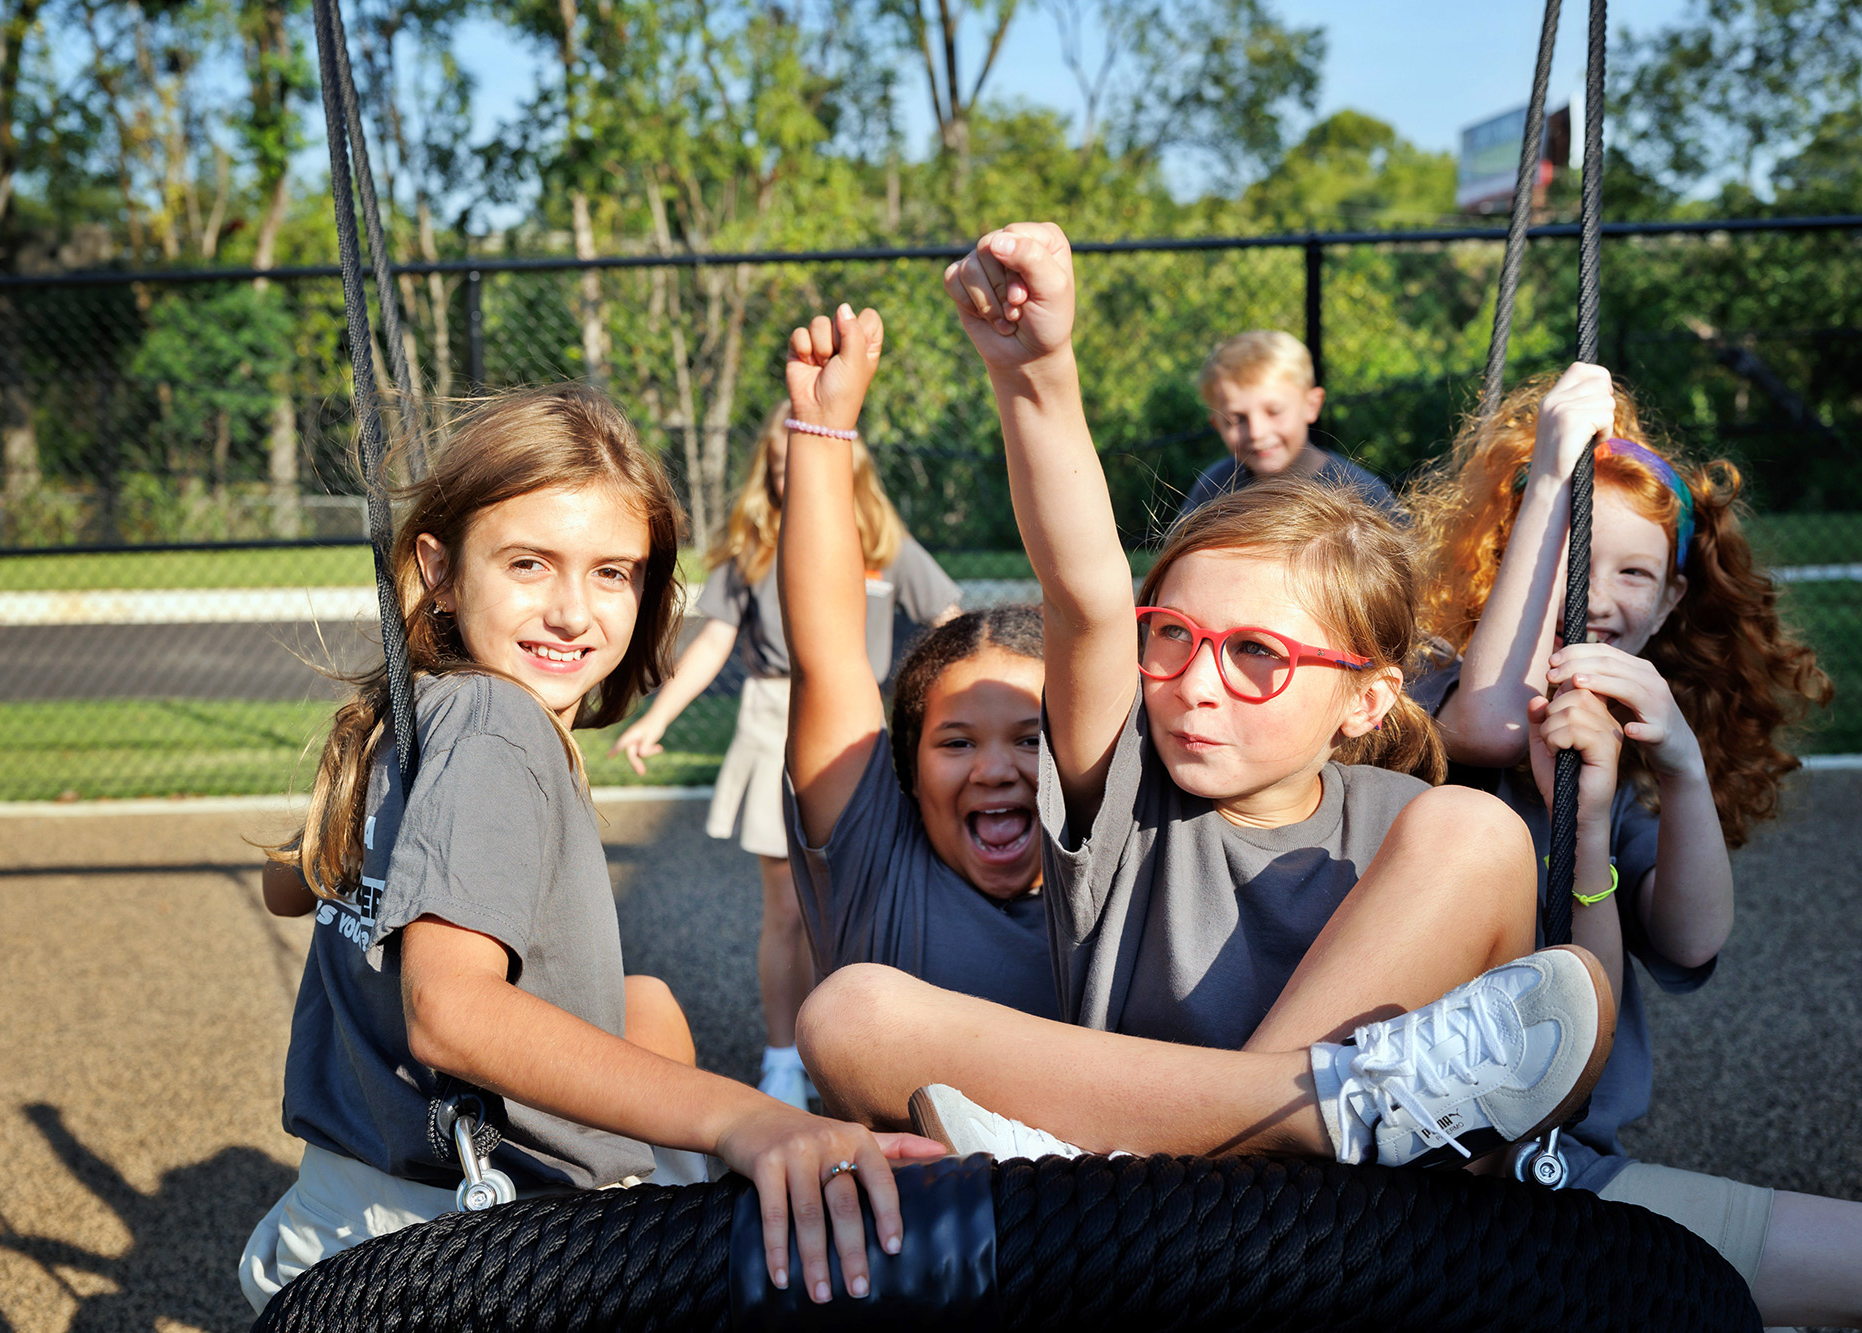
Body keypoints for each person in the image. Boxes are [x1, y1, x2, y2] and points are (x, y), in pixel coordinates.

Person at [794, 224, 1615, 1175]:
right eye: (1172, 636)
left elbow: (1560, 1039)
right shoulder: (1127, 794)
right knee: (849, 1012)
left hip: (1313, 1233)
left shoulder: (1413, 829)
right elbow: (1088, 589)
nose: (1192, 681)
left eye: (1256, 652)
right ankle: (1312, 1118)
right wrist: (1036, 371)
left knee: (1495, 858)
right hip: (1190, 1224)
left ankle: (1154, 1160)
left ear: (1367, 698)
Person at [242, 386, 940, 1314]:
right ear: (439, 570)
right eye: (530, 563)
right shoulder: (496, 726)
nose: (574, 611)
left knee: (643, 1007)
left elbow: (286, 886)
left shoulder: (414, 714)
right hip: (452, 1255)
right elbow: (450, 1013)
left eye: (613, 572)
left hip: (335, 1204)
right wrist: (750, 1117)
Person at [1408, 363, 1855, 1329]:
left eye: (1633, 573)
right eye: (1575, 557)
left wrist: (1683, 765)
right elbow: (1486, 722)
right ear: (1518, 566)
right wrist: (1548, 474)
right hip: (1420, 1166)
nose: (1599, 597)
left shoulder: (1630, 767)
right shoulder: (1437, 693)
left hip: (1565, 1167)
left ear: (1669, 601)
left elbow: (1689, 938)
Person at [614, 401, 961, 1110]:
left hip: (861, 726)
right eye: (779, 467)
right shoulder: (753, 552)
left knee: (865, 901)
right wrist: (658, 717)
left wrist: (952, 704)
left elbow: (950, 620)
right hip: (774, 721)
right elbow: (711, 644)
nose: (789, 478)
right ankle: (782, 1057)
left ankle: (870, 1051)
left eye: (803, 464)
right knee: (787, 910)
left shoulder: (881, 542)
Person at [776, 302, 1059, 1021]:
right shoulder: (878, 859)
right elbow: (828, 656)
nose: (994, 768)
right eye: (957, 741)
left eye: (1030, 738)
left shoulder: (1122, 882)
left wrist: (1037, 369)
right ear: (907, 767)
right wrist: (822, 427)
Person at [1172, 329, 1396, 526]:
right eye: (1237, 419)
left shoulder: (1363, 495)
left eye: (1274, 412)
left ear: (1311, 405)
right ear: (1216, 425)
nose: (1257, 433)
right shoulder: (1214, 488)